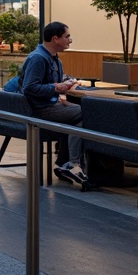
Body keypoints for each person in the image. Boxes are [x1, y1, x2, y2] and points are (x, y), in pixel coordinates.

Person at [22, 22, 88, 186]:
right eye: (67, 37)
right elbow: (29, 88)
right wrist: (56, 87)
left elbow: (49, 82)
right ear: (55, 38)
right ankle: (72, 163)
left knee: (79, 112)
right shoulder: (38, 58)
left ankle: (67, 162)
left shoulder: (53, 58)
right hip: (40, 110)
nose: (70, 40)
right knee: (84, 113)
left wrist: (65, 82)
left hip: (48, 105)